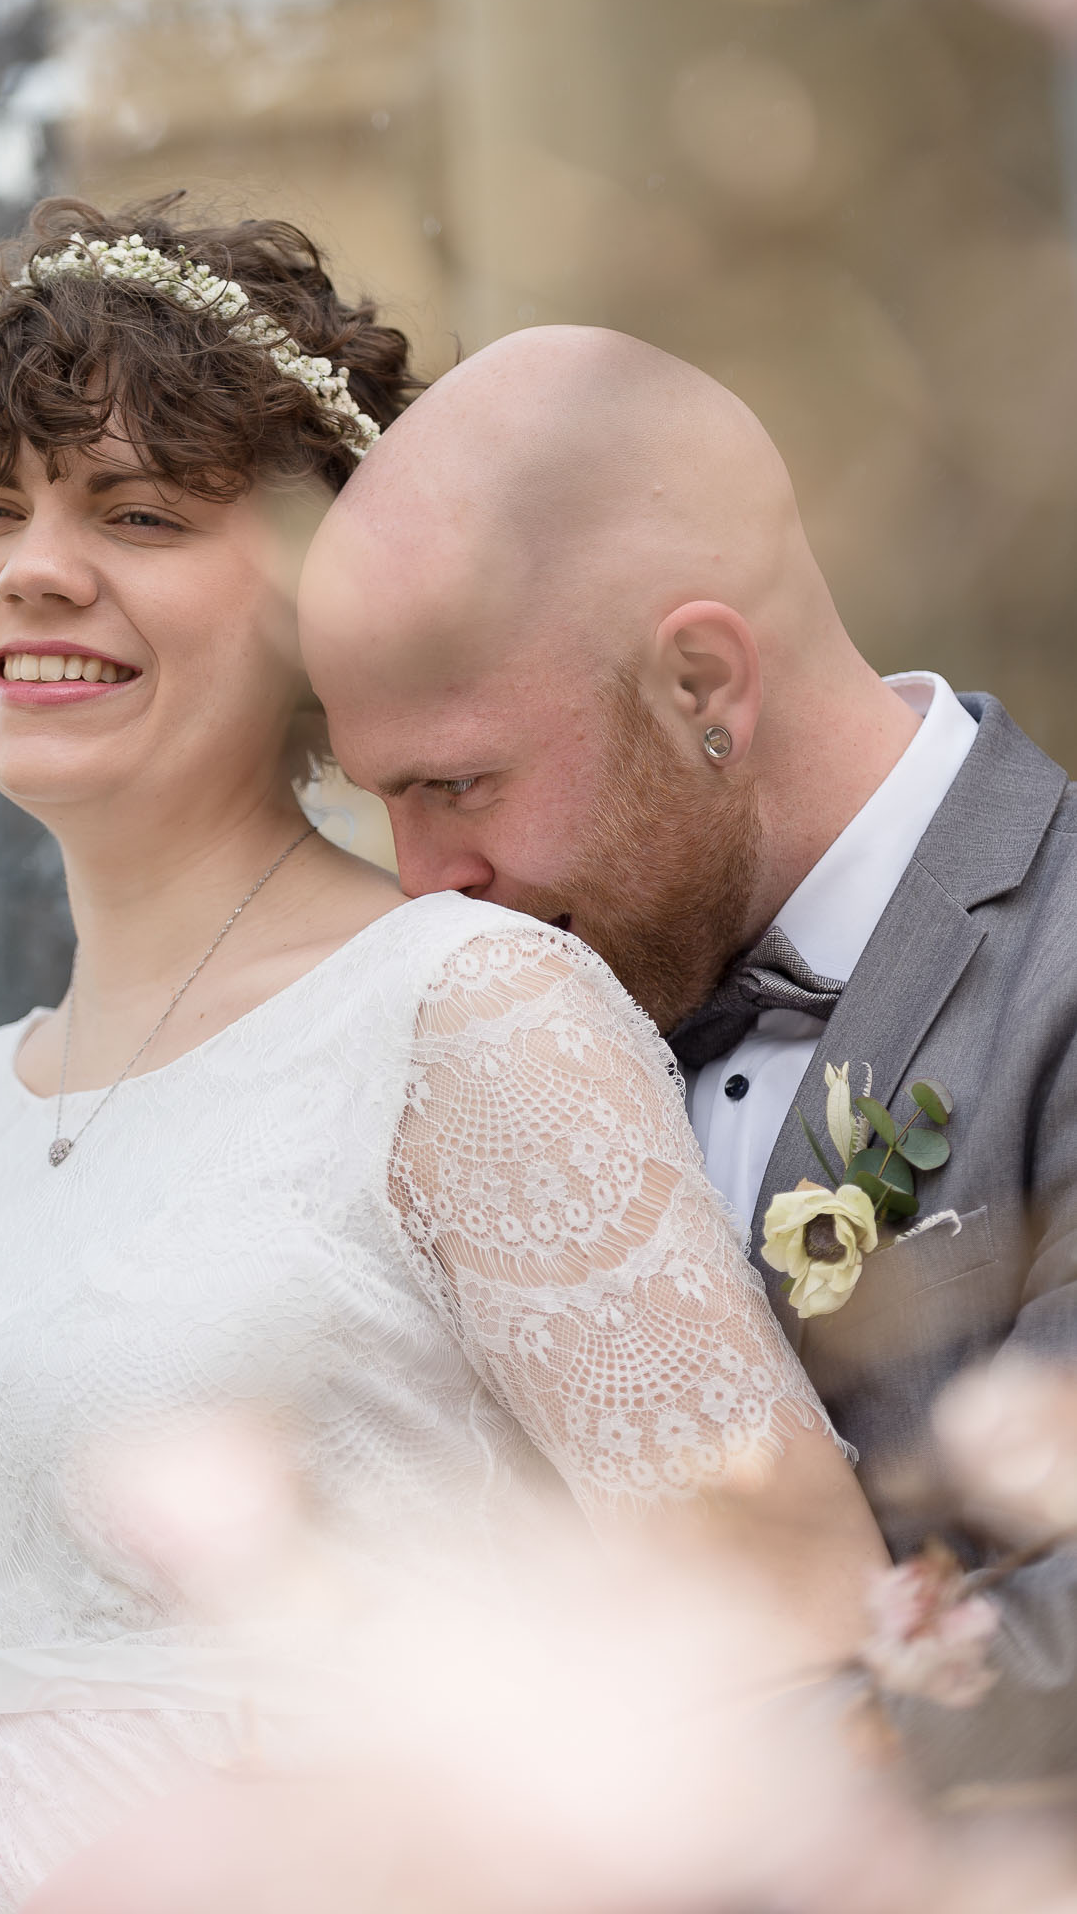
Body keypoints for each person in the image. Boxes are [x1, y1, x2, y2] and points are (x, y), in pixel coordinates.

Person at [0, 203, 880, 1914]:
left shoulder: (464, 1009)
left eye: (137, 512)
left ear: (316, 605)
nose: (35, 568)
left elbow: (790, 1643)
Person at [298, 323, 1077, 1784]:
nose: (422, 881)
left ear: (705, 684)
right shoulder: (484, 1043)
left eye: (456, 783)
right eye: (378, 801)